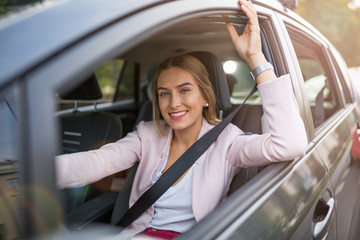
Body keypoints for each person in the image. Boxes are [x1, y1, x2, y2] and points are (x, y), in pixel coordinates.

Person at [55, 0, 308, 239]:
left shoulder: (228, 142)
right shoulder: (148, 134)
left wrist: (256, 59)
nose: (173, 103)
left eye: (184, 90)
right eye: (164, 93)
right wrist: (34, 172)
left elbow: (290, 144)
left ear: (205, 97)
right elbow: (96, 162)